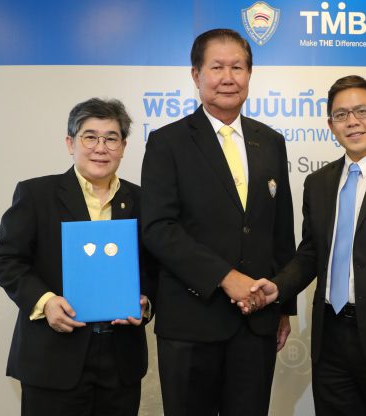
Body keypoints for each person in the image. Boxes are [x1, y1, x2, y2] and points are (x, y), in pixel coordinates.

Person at [245, 75, 366, 415]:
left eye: (362, 111)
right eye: (341, 115)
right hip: (330, 340)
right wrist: (277, 288)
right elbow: (311, 254)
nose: (352, 121)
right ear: (330, 125)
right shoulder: (318, 183)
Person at [140, 28, 295, 416]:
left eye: (237, 67)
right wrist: (225, 277)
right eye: (217, 67)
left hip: (256, 322)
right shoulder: (167, 142)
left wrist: (283, 307)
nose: (228, 77)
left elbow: (281, 230)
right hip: (191, 322)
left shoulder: (271, 141)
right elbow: (159, 228)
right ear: (196, 75)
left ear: (250, 74)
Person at [0, 98, 155, 416]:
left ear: (123, 146)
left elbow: (156, 265)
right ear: (70, 143)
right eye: (89, 137)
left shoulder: (142, 200)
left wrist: (146, 301)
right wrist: (45, 302)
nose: (100, 148)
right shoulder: (36, 194)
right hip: (53, 358)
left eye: (111, 138)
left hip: (120, 361)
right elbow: (6, 259)